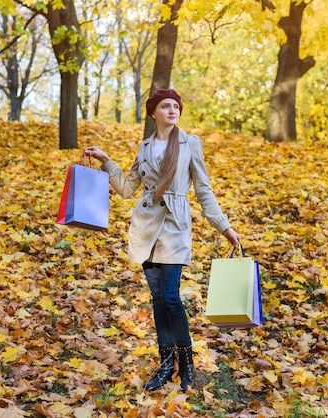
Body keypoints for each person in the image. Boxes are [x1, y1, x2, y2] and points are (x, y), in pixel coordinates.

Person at [84, 89, 241, 392]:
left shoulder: (190, 144)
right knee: (158, 300)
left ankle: (188, 364)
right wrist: (106, 161)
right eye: (165, 106)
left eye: (175, 106)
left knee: (170, 296)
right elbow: (128, 189)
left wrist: (224, 227)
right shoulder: (144, 148)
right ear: (153, 113)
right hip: (146, 228)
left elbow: (204, 190)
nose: (172, 110)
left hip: (174, 227)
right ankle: (166, 365)